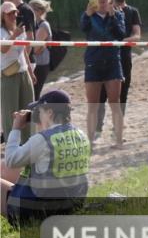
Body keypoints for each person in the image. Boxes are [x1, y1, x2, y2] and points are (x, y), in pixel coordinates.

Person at [2, 90, 89, 227]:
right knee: (3, 166)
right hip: (72, 205)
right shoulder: (81, 134)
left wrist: (16, 128)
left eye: (39, 112)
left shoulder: (43, 140)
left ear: (49, 112)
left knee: (5, 167)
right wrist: (41, 124)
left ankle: (18, 221)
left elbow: (11, 160)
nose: (38, 116)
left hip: (42, 213)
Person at [80, 0, 126, 146]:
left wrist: (113, 17)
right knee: (92, 105)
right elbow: (83, 29)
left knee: (115, 102)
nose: (102, 0)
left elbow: (121, 35)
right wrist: (87, 14)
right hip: (93, 63)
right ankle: (90, 141)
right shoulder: (89, 16)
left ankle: (119, 140)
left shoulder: (118, 14)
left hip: (113, 62)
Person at [96, 0, 141, 140]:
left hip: (124, 59)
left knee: (122, 96)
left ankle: (117, 129)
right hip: (103, 59)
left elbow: (137, 35)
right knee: (101, 94)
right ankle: (97, 129)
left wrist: (123, 41)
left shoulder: (132, 12)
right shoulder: (102, 11)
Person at [1, 2, 35, 140]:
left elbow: (24, 52)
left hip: (23, 72)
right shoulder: (2, 32)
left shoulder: (19, 29)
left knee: (28, 109)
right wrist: (14, 35)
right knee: (11, 112)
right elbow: (3, 49)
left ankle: (28, 143)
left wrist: (30, 71)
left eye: (14, 12)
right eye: (9, 13)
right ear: (2, 16)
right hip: (8, 75)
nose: (13, 15)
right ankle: (11, 146)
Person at [28, 0, 53, 98]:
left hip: (40, 64)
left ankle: (35, 113)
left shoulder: (43, 25)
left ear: (39, 11)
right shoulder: (35, 25)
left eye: (30, 10)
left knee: (34, 93)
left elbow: (35, 49)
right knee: (32, 93)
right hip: (36, 63)